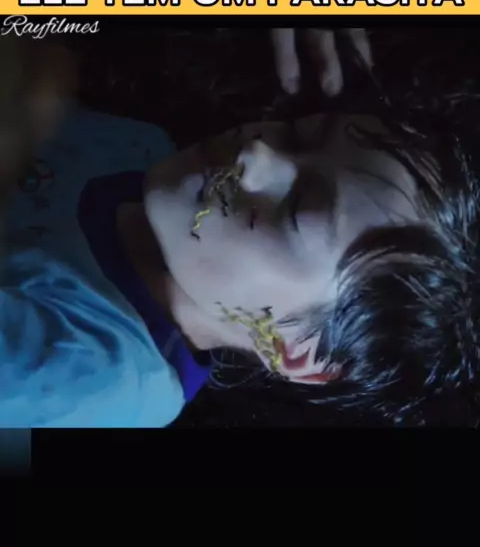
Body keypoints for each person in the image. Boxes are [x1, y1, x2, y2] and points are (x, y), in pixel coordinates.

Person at [1, 34, 480, 427]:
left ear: (295, 352)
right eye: (296, 133)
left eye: (297, 211)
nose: (256, 153)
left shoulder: (97, 374)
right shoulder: (142, 150)